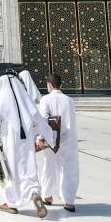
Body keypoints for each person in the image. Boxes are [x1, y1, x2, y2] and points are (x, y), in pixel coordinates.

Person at [0, 70, 55, 217]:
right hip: (27, 139)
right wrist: (41, 136)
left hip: (9, 140)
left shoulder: (1, 99)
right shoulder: (24, 98)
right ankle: (34, 192)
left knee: (12, 169)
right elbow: (37, 118)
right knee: (28, 166)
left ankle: (11, 203)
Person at [37, 73, 79, 212]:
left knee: (49, 167)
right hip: (69, 138)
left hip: (52, 139)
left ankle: (47, 196)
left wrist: (40, 138)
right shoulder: (69, 100)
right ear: (60, 84)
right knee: (69, 169)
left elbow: (43, 119)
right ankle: (69, 201)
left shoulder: (46, 99)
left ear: (49, 85)